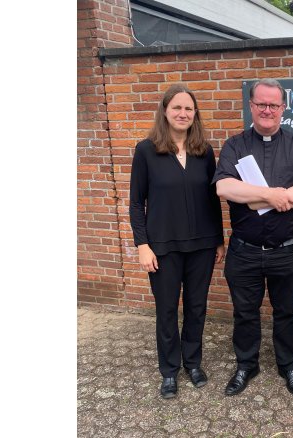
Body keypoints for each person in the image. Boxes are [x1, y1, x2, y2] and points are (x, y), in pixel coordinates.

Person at [213, 78, 293, 397]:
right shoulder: (235, 145)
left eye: (273, 105)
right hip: (244, 251)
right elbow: (224, 188)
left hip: (285, 252)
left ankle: (288, 366)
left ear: (283, 108)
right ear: (251, 106)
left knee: (286, 312)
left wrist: (254, 197)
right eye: (261, 104)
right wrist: (272, 195)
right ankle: (246, 365)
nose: (267, 110)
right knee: (244, 312)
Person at [129, 84, 225, 399]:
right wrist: (142, 244)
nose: (183, 113)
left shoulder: (204, 151)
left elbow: (213, 199)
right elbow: (135, 203)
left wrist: (219, 240)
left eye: (188, 108)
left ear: (194, 114)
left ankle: (192, 363)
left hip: (201, 245)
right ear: (165, 112)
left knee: (197, 308)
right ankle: (169, 371)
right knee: (167, 310)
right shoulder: (146, 150)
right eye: (177, 108)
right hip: (163, 248)